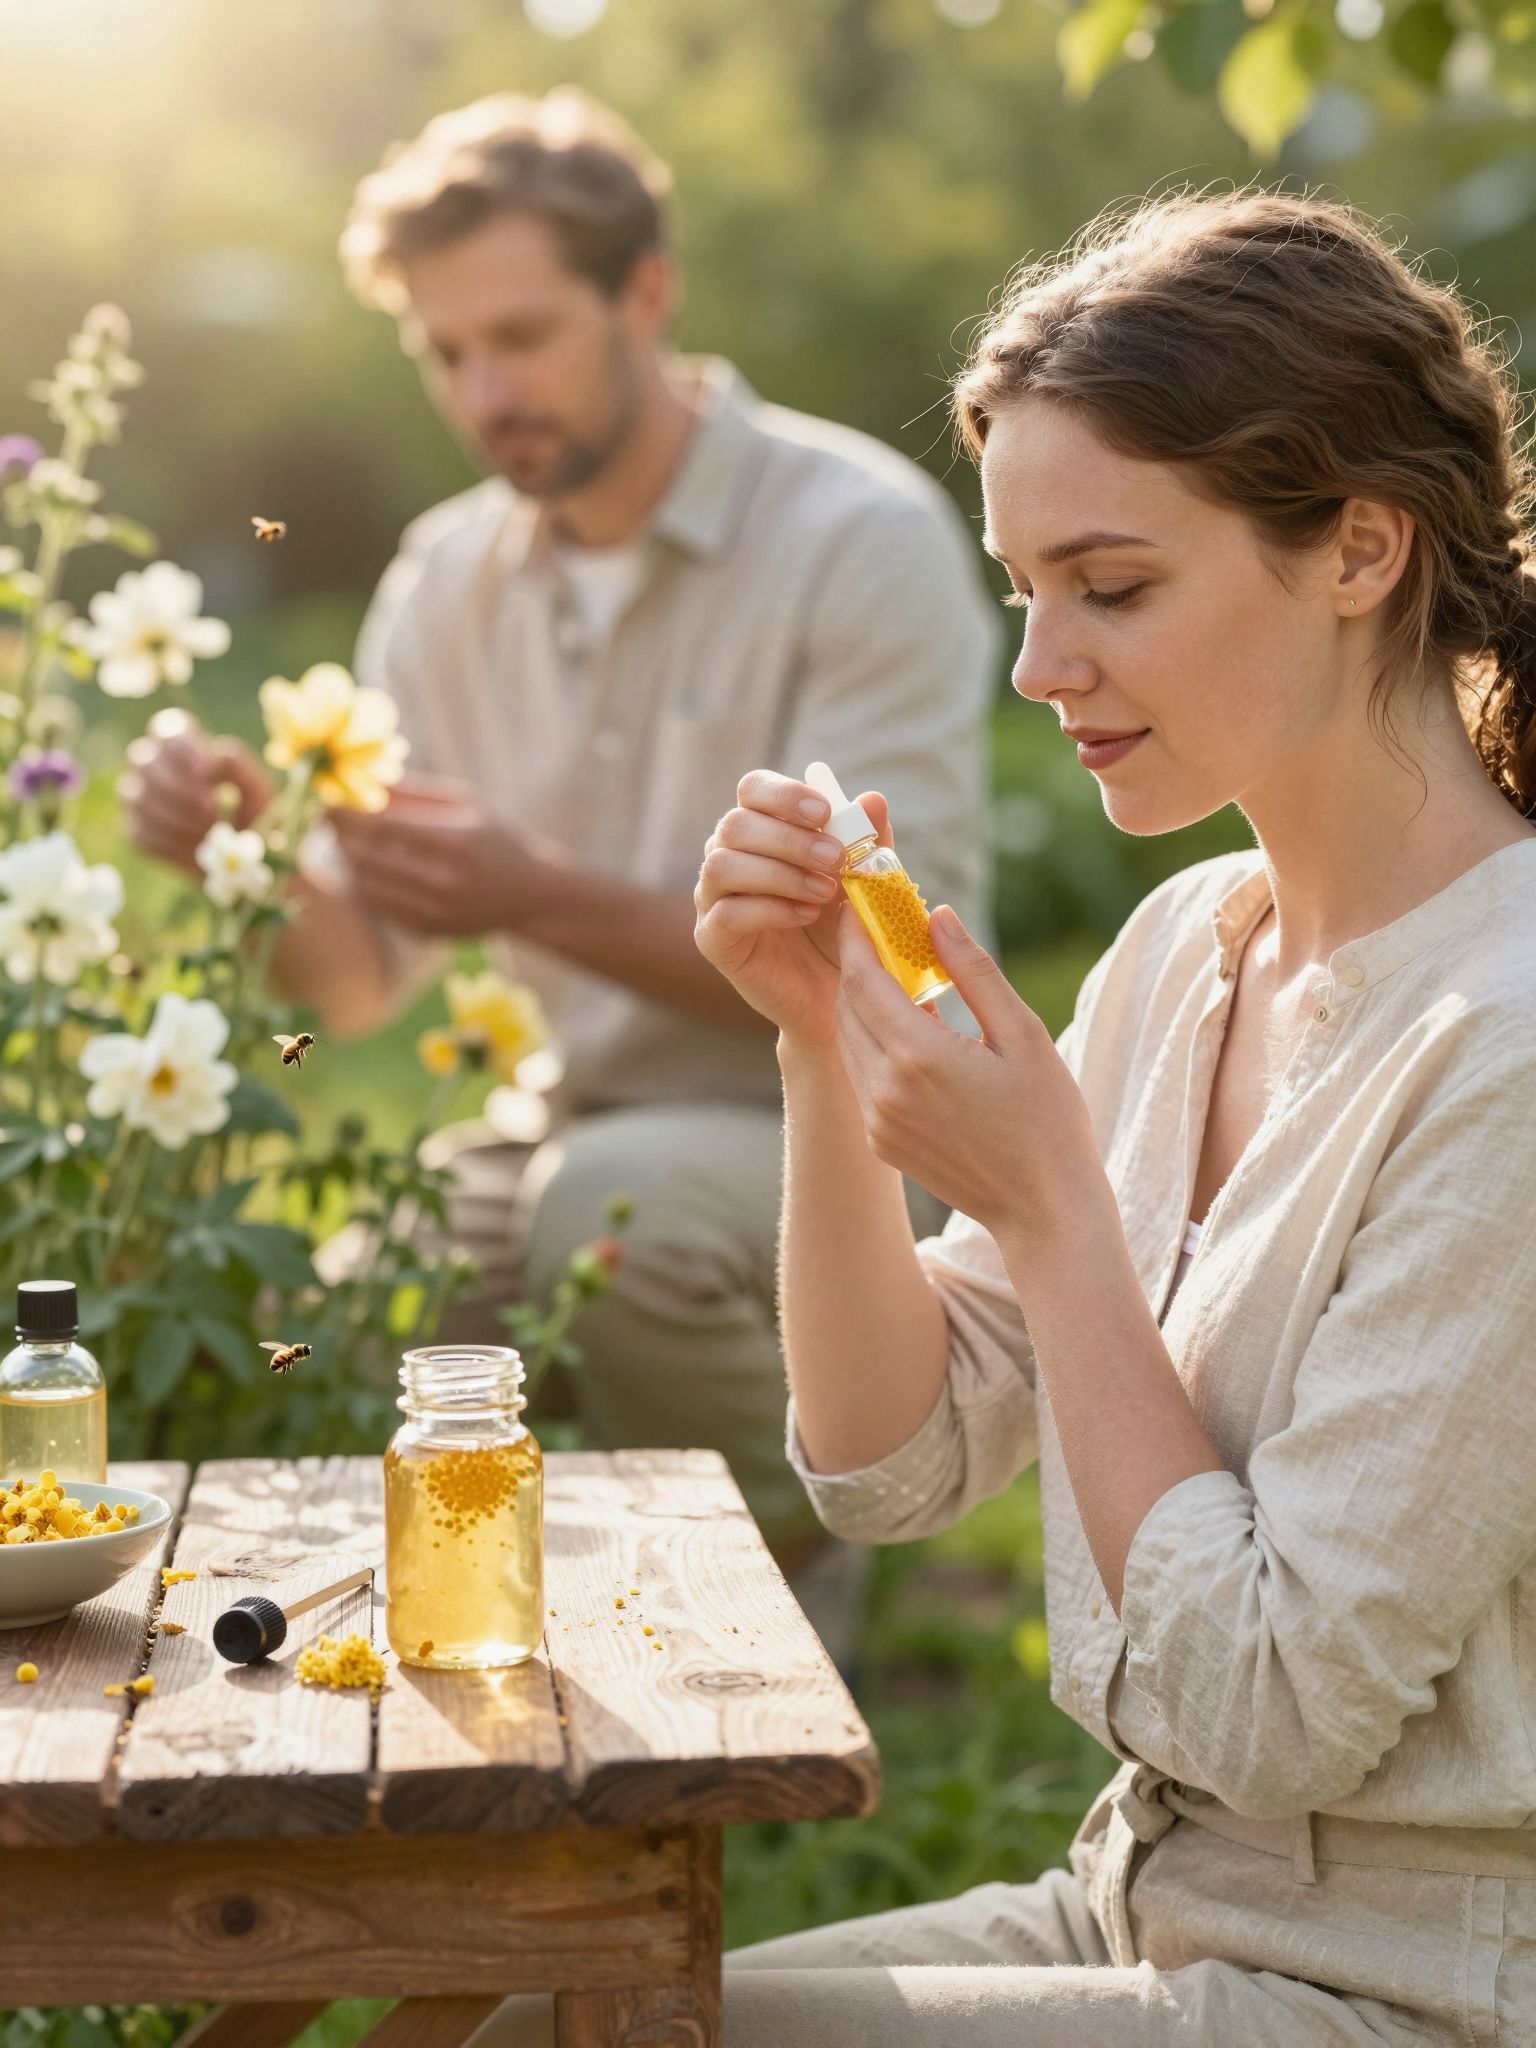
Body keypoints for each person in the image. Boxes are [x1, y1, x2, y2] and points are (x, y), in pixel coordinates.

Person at [470, 183, 1536, 2043]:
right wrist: (816, 1036)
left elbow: (1271, 1711)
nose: (1040, 669)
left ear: (1362, 545)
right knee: (544, 2026)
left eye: (1113, 588)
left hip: (1415, 1991)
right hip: (1145, 1904)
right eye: (1024, 591)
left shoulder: (1503, 1044)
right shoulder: (1192, 946)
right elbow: (890, 1462)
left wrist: (1053, 1217)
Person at [118, 88, 1002, 1616]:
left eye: (520, 336)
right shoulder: (442, 579)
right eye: (447, 353)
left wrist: (535, 893)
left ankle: (806, 1583)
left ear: (643, 291)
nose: (482, 388)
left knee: (613, 1213)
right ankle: (563, 1585)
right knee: (356, 1311)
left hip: (845, 1131)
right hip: (569, 1127)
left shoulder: (860, 534)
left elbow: (899, 973)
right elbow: (360, 982)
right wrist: (240, 863)